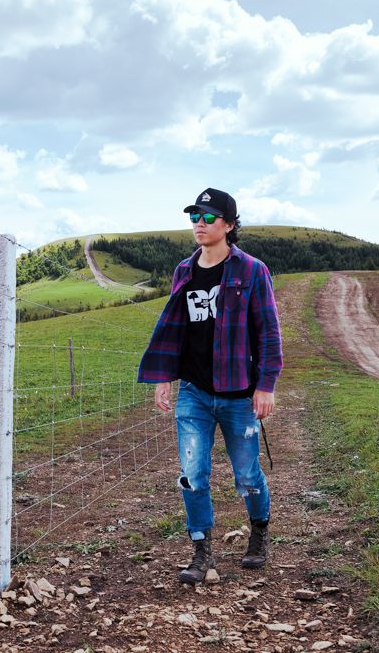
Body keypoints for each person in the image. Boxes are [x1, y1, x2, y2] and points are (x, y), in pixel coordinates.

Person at [137, 187, 283, 584]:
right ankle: (202, 552)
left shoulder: (252, 270)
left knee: (247, 475)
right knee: (193, 474)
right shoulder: (184, 270)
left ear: (229, 225)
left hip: (239, 394)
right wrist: (165, 376)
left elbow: (268, 331)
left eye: (208, 217)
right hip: (195, 394)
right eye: (194, 217)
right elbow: (175, 328)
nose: (199, 224)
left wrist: (265, 384)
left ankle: (258, 535)